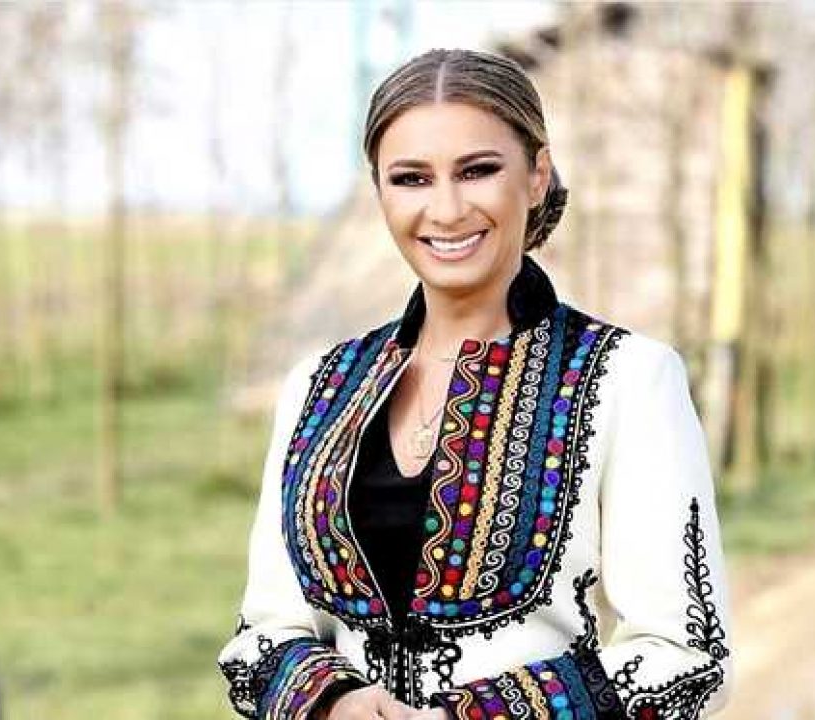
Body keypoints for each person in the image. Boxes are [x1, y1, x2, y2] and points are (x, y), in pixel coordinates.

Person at [217, 48, 732, 720]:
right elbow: (263, 634)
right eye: (411, 178)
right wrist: (334, 701)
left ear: (537, 175)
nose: (447, 208)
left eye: (478, 170)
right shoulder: (319, 387)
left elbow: (686, 658)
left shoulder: (628, 379)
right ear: (380, 192)